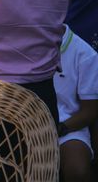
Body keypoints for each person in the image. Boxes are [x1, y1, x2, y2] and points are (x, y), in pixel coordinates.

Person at [54, 24, 98, 182]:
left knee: (77, 170)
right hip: (26, 124)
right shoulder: (22, 45)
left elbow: (90, 111)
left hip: (68, 128)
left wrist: (58, 129)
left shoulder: (85, 54)